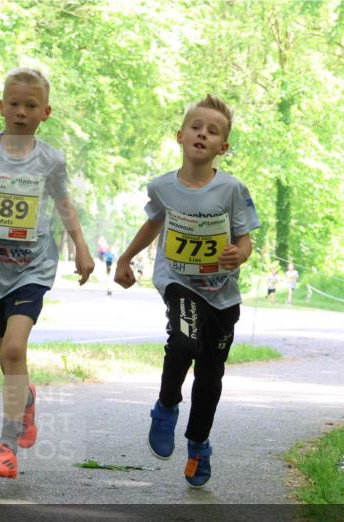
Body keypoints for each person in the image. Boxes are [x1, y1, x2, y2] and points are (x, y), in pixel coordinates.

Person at [0, 67, 95, 479]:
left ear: (46, 112)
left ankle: (6, 445)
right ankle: (23, 398)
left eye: (31, 106)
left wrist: (80, 247)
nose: (21, 112)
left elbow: (63, 204)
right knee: (9, 361)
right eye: (14, 103)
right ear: (2, 105)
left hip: (31, 268)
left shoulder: (50, 159)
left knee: (12, 349)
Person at [114, 94, 259, 487]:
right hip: (179, 281)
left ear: (222, 148)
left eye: (213, 131)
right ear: (180, 135)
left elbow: (246, 240)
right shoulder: (163, 187)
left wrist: (237, 255)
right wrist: (126, 258)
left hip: (222, 295)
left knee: (210, 377)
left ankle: (198, 445)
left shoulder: (232, 189)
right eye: (196, 127)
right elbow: (153, 224)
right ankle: (166, 405)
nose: (202, 134)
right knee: (182, 343)